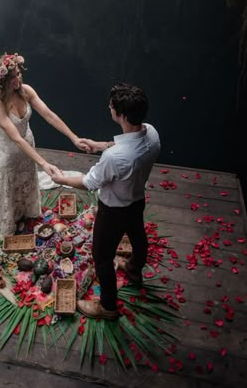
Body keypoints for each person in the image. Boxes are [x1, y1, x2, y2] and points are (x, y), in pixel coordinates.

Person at [51, 82, 161, 321]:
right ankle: (134, 270)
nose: (109, 108)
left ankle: (108, 306)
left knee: (101, 256)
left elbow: (90, 182)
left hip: (113, 211)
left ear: (120, 115)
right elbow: (123, 146)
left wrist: (63, 179)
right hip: (136, 200)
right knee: (138, 236)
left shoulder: (115, 158)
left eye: (111, 106)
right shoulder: (151, 133)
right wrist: (98, 145)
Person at [0, 52, 89, 238]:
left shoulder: (26, 91)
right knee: (10, 186)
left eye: (19, 74)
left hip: (28, 146)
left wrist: (74, 137)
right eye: (13, 76)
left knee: (26, 182)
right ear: (3, 79)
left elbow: (49, 115)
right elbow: (16, 138)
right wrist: (44, 164)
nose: (18, 78)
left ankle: (25, 211)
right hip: (10, 153)